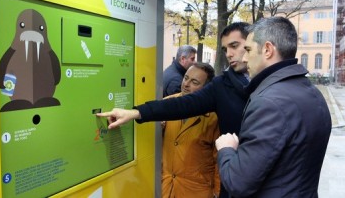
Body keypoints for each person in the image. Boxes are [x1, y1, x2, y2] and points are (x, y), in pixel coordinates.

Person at [97, 22, 250, 198]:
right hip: (171, 187)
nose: (229, 54)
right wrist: (135, 112)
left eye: (234, 46)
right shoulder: (223, 85)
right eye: (225, 49)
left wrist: (216, 190)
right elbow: (179, 106)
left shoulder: (265, 88)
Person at [215, 16, 331, 197]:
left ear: (268, 50)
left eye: (248, 49)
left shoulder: (269, 103)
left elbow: (237, 183)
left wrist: (226, 149)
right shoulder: (312, 92)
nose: (245, 58)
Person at [162, 62, 220, 198]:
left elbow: (219, 159)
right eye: (186, 77)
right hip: (166, 188)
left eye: (194, 82)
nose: (186, 84)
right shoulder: (166, 104)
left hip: (196, 190)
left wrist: (218, 192)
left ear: (207, 88)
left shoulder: (214, 116)